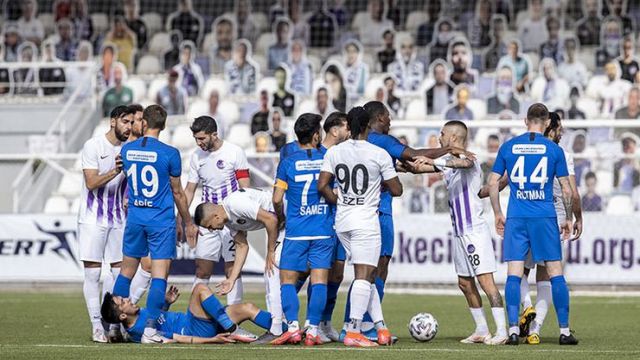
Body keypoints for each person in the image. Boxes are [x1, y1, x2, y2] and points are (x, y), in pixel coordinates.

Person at [405, 121, 508, 345]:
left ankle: (502, 331)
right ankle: (481, 329)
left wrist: (433, 160)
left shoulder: (469, 159)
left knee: (486, 282)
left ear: (453, 137)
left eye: (442, 134)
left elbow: (464, 162)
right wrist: (394, 164)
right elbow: (418, 168)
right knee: (464, 283)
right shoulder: (446, 163)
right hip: (459, 232)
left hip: (474, 232)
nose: (439, 138)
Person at [487, 103, 578, 346]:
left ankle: (514, 330)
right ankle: (565, 331)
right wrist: (568, 217)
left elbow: (493, 182)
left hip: (517, 216)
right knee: (555, 274)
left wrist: (497, 213)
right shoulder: (553, 150)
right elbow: (567, 190)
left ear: (525, 121)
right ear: (547, 122)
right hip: (544, 216)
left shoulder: (509, 146)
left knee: (514, 275)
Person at [112, 104, 198, 344]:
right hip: (160, 220)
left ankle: (115, 326)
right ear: (164, 125)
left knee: (126, 272)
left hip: (136, 218)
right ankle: (150, 331)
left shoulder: (128, 150)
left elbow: (129, 177)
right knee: (159, 277)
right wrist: (188, 221)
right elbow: (178, 193)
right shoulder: (170, 153)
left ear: (144, 123)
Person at [318, 106, 402, 347]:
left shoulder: (335, 152)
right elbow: (397, 190)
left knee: (368, 275)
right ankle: (353, 330)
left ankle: (381, 327)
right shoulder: (378, 153)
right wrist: (383, 183)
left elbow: (323, 185)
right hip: (366, 220)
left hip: (343, 220)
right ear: (367, 126)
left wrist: (341, 199)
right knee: (364, 277)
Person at [518, 112, 583, 345]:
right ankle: (537, 330)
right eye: (559, 127)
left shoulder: (522, 149)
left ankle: (526, 308)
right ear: (550, 127)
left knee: (520, 271)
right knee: (548, 275)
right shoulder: (562, 154)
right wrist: (576, 217)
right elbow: (572, 192)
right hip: (552, 219)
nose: (562, 131)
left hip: (525, 215)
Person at [271, 113, 334, 346]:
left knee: (287, 279)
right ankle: (313, 330)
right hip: (323, 227)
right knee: (319, 279)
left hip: (297, 229)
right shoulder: (329, 157)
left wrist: (282, 217)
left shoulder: (287, 163)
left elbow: (277, 198)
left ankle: (293, 328)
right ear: (316, 135)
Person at [193, 187, 284, 344]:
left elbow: (271, 219)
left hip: (285, 218)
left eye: (209, 226)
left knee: (272, 273)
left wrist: (270, 251)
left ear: (215, 216)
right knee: (277, 276)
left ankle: (278, 330)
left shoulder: (236, 204)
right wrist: (231, 279)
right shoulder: (228, 221)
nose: (211, 230)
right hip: (282, 224)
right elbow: (242, 246)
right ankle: (287, 327)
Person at [182, 116, 250, 309]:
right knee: (202, 270)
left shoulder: (234, 152)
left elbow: (245, 187)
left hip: (231, 221)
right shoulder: (196, 156)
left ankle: (234, 320)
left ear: (214, 134)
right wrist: (183, 218)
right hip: (208, 222)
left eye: (202, 138)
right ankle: (195, 315)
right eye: (196, 139)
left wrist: (242, 221)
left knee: (232, 270)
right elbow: (189, 190)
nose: (199, 143)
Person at [78, 105, 132, 343]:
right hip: (92, 218)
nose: (129, 127)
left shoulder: (129, 149)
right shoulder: (93, 145)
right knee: (93, 274)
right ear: (113, 122)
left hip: (118, 219)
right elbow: (91, 182)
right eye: (125, 122)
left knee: (120, 273)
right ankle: (96, 326)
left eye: (131, 123)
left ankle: (113, 324)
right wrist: (115, 170)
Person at [101, 285, 265, 343]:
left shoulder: (140, 317)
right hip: (193, 328)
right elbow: (177, 338)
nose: (128, 299)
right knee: (200, 289)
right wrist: (211, 340)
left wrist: (166, 304)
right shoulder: (141, 331)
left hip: (198, 324)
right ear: (122, 316)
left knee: (247, 308)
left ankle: (283, 330)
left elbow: (160, 321)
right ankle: (231, 328)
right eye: (123, 302)